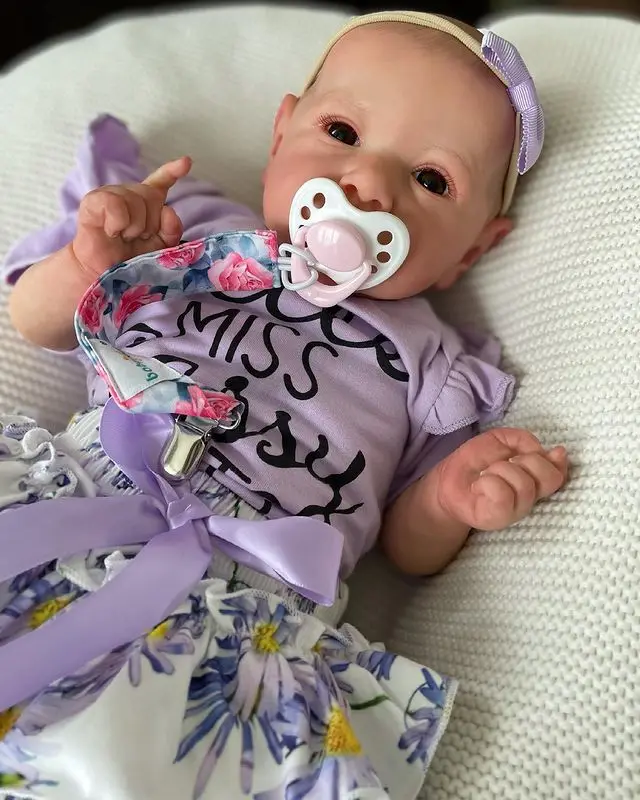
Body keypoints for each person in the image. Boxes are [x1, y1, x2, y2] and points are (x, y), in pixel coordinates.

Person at [0, 11, 568, 800]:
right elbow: (35, 320)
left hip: (242, 589)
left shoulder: (432, 367)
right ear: (280, 133)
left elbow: (405, 547)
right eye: (342, 132)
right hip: (86, 487)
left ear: (470, 250)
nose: (368, 184)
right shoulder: (183, 227)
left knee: (137, 763)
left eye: (431, 180)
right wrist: (87, 263)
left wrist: (451, 498)